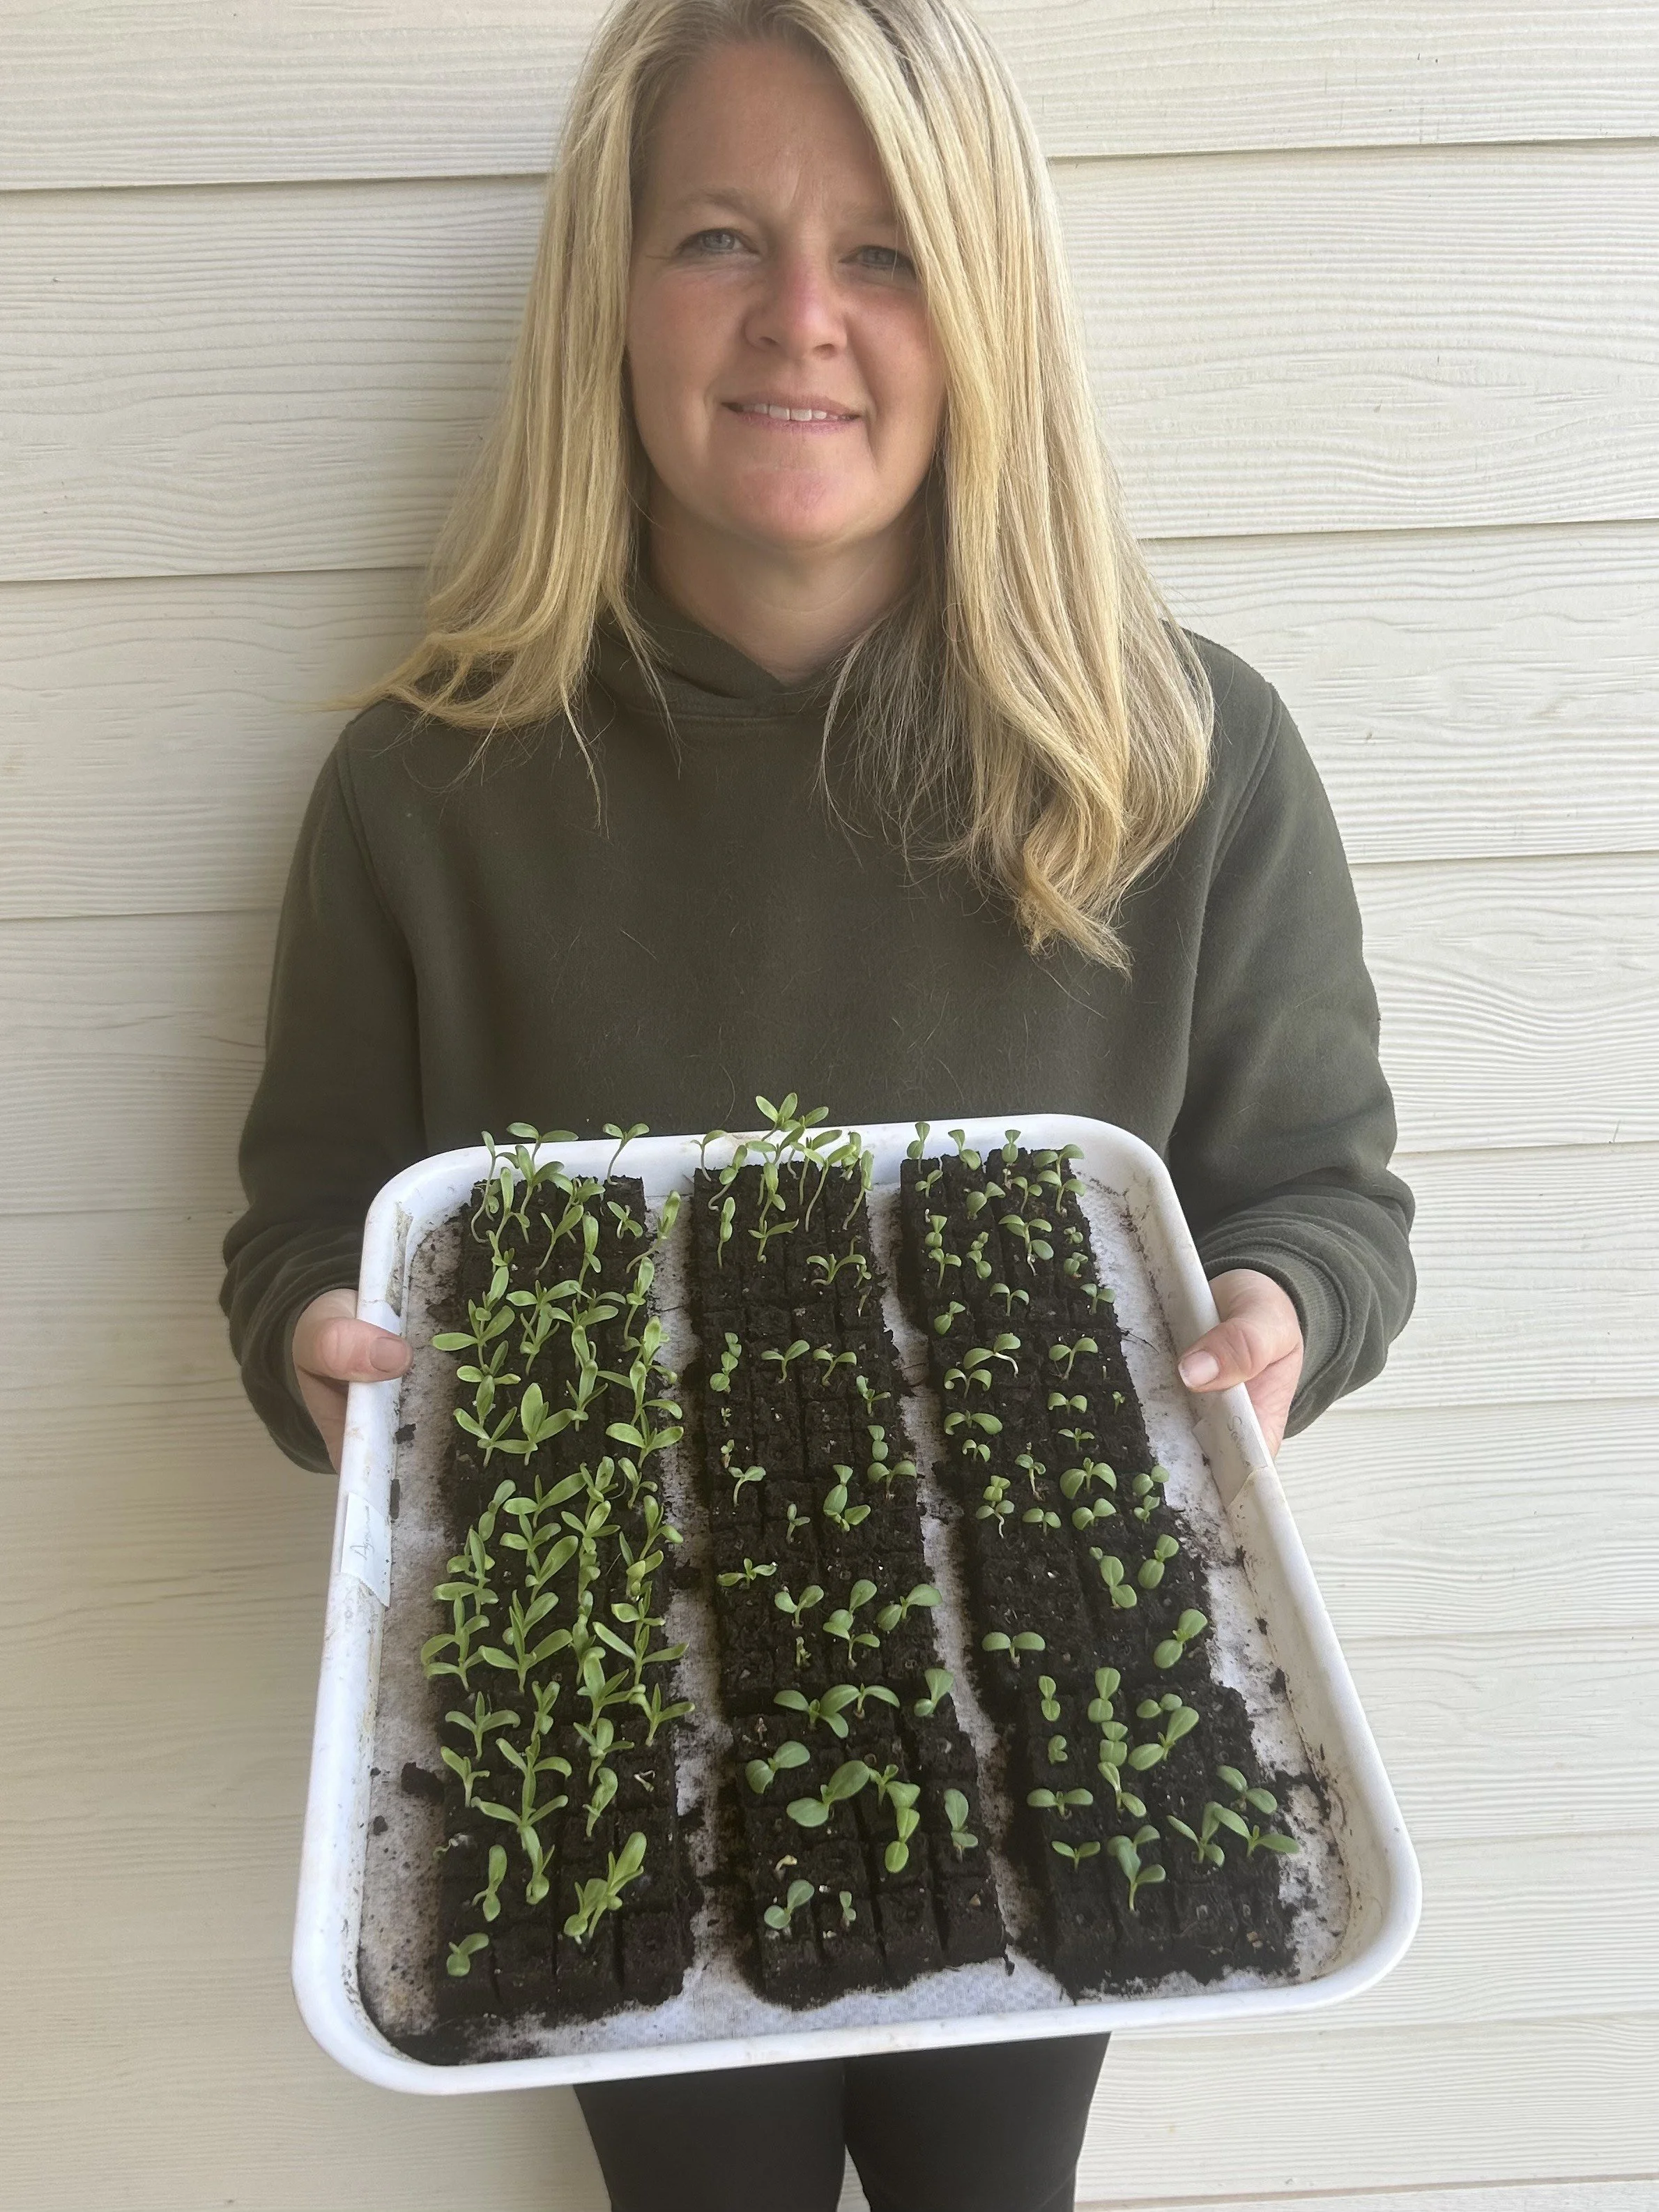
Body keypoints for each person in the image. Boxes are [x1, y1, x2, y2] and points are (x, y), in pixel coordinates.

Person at [222, 3, 1416, 2206]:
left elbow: (1327, 1192)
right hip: (593, 1715)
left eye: (884, 252)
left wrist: (1275, 1307)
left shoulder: (1178, 755)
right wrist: (319, 1338)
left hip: (1069, 1703)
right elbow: (312, 1208)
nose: (800, 322)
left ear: (987, 304)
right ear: (610, 292)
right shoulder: (431, 783)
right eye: (715, 240)